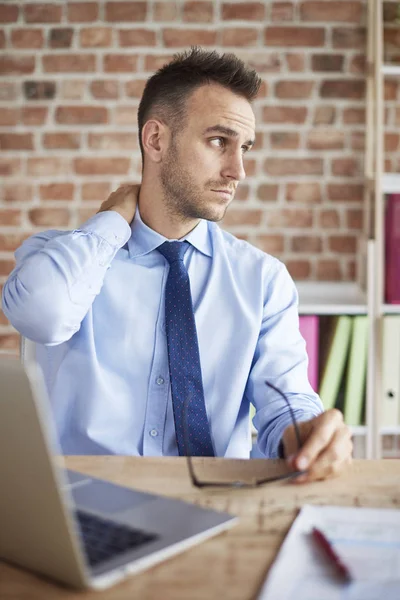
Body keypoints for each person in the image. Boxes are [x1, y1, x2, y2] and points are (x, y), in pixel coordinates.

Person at [2, 47, 352, 482]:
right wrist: (111, 221)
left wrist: (306, 433)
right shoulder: (63, 261)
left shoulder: (261, 280)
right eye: (218, 142)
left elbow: (286, 399)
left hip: (219, 508)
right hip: (86, 509)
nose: (238, 170)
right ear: (156, 140)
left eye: (244, 147)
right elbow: (42, 316)